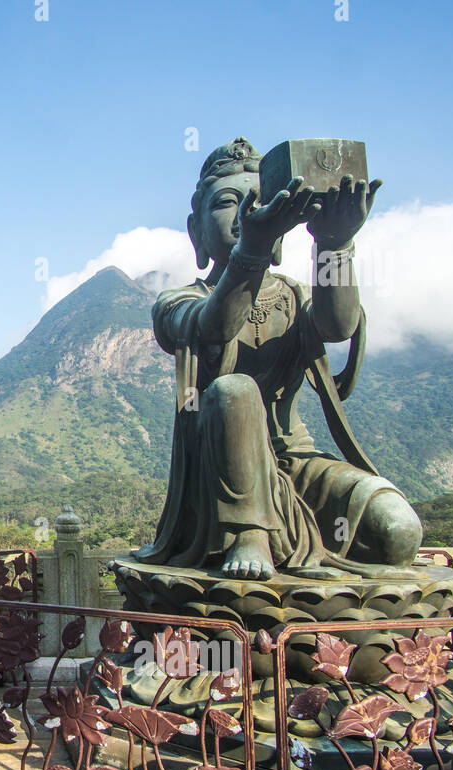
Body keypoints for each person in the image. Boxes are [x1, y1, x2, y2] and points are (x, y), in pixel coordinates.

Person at [132, 138, 421, 580]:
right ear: (196, 231)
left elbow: (337, 326)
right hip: (216, 487)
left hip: (296, 464)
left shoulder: (292, 297)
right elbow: (215, 327)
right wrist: (252, 248)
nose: (246, 209)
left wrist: (334, 243)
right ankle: (249, 530)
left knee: (398, 531)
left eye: (260, 200)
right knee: (234, 390)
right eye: (228, 202)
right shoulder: (181, 301)